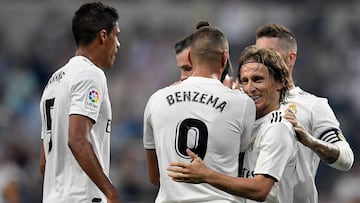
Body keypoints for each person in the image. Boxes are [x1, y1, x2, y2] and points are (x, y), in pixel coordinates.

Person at [168, 46, 297, 203]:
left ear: (280, 82)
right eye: (245, 81)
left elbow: (260, 189)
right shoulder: (241, 120)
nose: (250, 88)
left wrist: (206, 175)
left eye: (258, 79)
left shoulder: (278, 127)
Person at [143, 26, 256, 202]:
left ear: (189, 57)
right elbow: (241, 165)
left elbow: (153, 176)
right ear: (225, 57)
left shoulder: (156, 100)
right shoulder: (243, 104)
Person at [255, 22, 354, 203]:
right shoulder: (244, 103)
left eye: (269, 54)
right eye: (257, 54)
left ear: (290, 58)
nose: (261, 61)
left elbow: (346, 159)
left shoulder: (313, 106)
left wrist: (312, 142)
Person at [39, 2, 122, 203]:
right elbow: (77, 139)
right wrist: (110, 192)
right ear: (103, 36)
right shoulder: (90, 74)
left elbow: (44, 163)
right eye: (116, 35)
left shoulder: (54, 81)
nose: (118, 44)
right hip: (83, 198)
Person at [174, 21, 234, 88]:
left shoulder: (238, 95)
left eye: (188, 68)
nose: (182, 77)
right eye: (182, 69)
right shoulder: (174, 94)